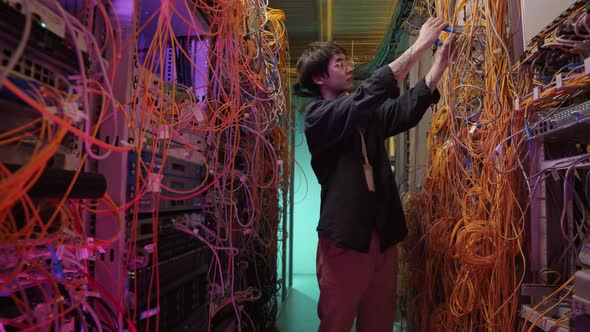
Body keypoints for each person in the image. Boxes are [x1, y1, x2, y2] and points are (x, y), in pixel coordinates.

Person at [295, 17, 457, 332]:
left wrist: (438, 66)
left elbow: (402, 111)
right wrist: (418, 46)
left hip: (382, 236)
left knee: (379, 321)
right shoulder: (318, 117)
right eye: (339, 63)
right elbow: (367, 96)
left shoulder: (366, 117)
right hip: (345, 239)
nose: (349, 67)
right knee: (337, 321)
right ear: (319, 78)